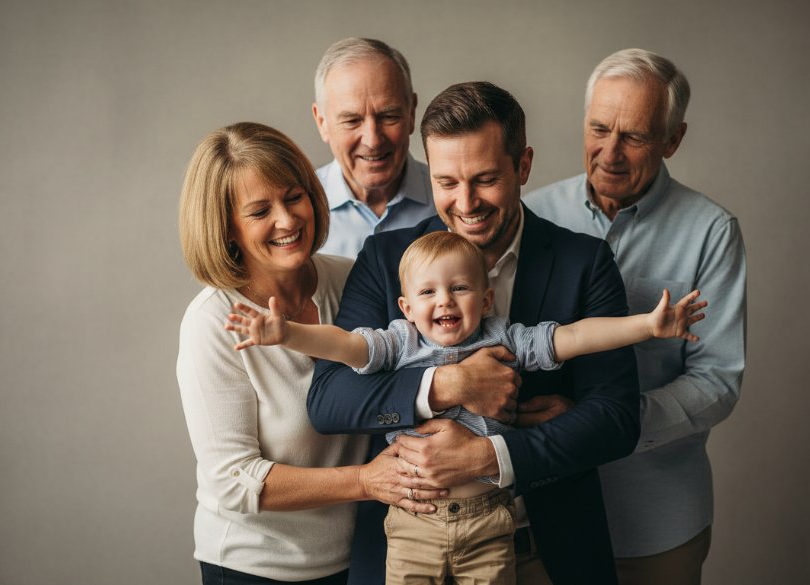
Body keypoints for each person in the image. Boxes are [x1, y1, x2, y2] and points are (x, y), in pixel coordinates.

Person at [227, 230, 705, 584]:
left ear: (486, 297)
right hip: (415, 521)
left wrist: (646, 325)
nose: (445, 301)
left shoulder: (506, 337)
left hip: (488, 520)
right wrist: (287, 334)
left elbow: (574, 336)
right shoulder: (400, 342)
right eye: (428, 292)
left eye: (459, 288)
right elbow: (346, 347)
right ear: (406, 307)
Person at [307, 81, 642, 585]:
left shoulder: (583, 262)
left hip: (547, 553)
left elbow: (616, 417)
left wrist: (493, 453)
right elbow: (330, 399)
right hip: (408, 552)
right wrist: (448, 386)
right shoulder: (385, 259)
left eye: (485, 179)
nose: (466, 204)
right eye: (446, 182)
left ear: (523, 166)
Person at [176, 122, 446, 585]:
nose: (287, 220)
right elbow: (233, 478)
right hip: (253, 567)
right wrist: (364, 480)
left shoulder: (350, 281)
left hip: (357, 558)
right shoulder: (211, 322)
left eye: (293, 196)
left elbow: (414, 370)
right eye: (260, 211)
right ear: (227, 229)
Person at [524, 48, 747, 585]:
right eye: (599, 128)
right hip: (540, 513)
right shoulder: (531, 212)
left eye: (635, 136)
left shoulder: (712, 231)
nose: (610, 152)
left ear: (673, 139)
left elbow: (717, 380)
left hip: (655, 520)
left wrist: (600, 425)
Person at [311, 37, 436, 259]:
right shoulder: (298, 214)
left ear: (411, 113)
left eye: (388, 116)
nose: (373, 141)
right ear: (322, 122)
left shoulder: (452, 202)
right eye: (352, 121)